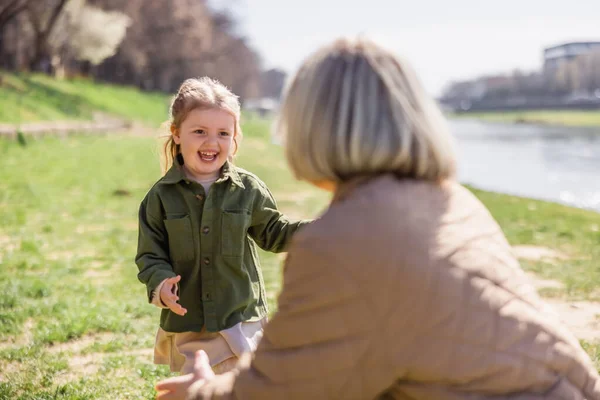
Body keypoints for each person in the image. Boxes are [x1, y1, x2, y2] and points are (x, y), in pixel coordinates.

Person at [155, 38, 600, 399]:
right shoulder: (451, 199)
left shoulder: (341, 246)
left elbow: (286, 387)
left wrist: (203, 392)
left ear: (309, 126)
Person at [135, 77, 310, 376]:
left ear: (234, 138)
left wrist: (324, 229)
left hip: (239, 318)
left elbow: (275, 233)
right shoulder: (160, 197)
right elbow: (150, 255)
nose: (212, 142)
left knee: (240, 389)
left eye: (223, 133)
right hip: (190, 323)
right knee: (198, 390)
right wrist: (161, 283)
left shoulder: (248, 189)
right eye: (200, 131)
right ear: (177, 134)